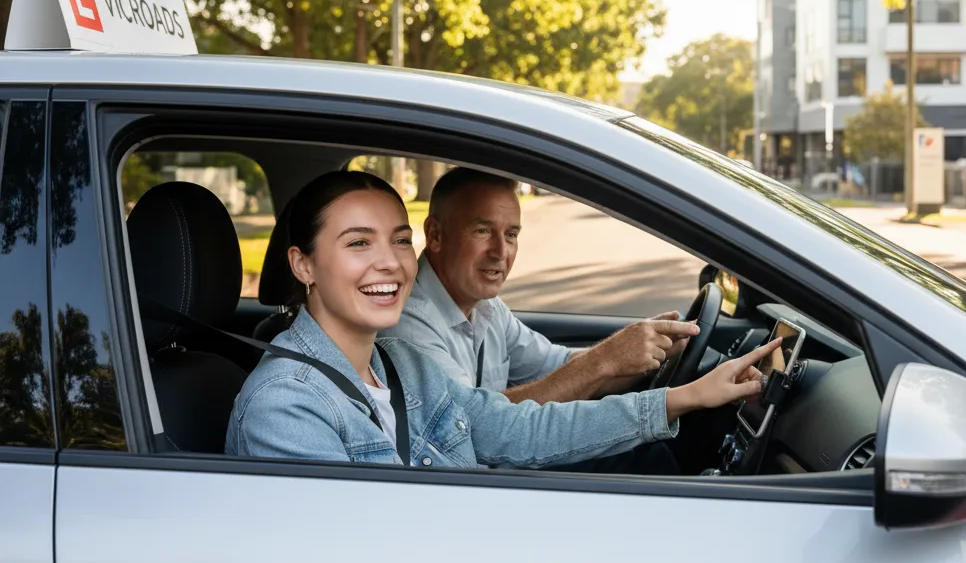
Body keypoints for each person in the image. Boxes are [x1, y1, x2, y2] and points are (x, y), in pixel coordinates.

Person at [225, 170, 780, 469]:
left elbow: (516, 430)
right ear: (303, 264)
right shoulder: (285, 406)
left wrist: (686, 396)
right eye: (358, 243)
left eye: (398, 240)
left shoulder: (402, 365)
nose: (390, 263)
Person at [385, 168, 696, 404]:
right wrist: (606, 360)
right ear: (436, 235)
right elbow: (471, 426)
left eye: (511, 235)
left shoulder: (486, 308)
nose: (501, 252)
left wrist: (648, 353)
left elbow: (557, 367)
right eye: (483, 231)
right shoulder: (409, 324)